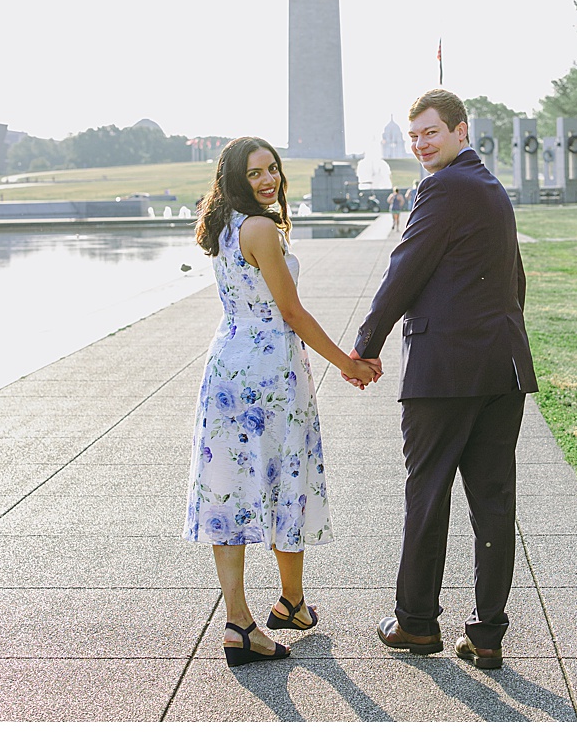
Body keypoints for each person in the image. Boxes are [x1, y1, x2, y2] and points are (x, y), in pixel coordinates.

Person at [351, 88, 535, 667]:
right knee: (493, 502)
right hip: (500, 369)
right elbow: (515, 279)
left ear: (460, 131)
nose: (420, 145)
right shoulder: (489, 187)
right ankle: (486, 635)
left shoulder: (444, 186)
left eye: (430, 132)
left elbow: (406, 268)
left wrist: (365, 345)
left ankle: (416, 625)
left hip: (445, 373)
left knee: (427, 495)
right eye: (414, 136)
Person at [184, 137, 381, 667]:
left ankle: (251, 617)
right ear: (234, 178)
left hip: (227, 363)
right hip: (269, 370)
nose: (268, 180)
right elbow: (291, 312)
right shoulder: (261, 228)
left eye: (272, 169)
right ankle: (269, 612)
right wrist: (349, 362)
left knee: (232, 488)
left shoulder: (222, 226)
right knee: (283, 476)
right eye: (255, 173)